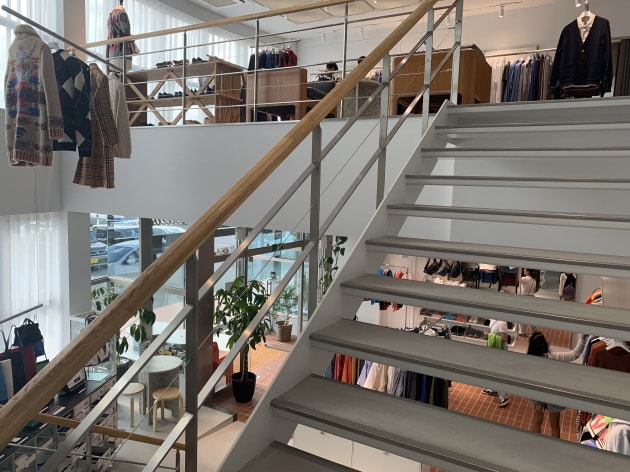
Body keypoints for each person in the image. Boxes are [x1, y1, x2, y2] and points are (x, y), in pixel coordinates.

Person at [527, 331, 587, 437]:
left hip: (537, 392)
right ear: (543, 345)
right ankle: (554, 445)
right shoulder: (554, 358)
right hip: (552, 394)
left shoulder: (529, 361)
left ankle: (535, 443)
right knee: (554, 424)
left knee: (537, 419)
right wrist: (582, 339)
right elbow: (574, 355)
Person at [481, 319, 511, 408]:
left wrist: (489, 335)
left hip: (500, 350)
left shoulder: (502, 322)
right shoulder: (493, 318)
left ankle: (504, 397)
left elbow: (505, 338)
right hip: (495, 349)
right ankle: (494, 389)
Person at [518, 268, 537, 337]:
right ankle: (534, 331)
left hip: (524, 298)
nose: (524, 270)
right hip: (532, 298)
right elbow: (534, 290)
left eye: (525, 269)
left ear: (528, 271)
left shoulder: (524, 279)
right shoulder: (534, 280)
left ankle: (522, 331)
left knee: (522, 315)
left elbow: (517, 281)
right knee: (531, 316)